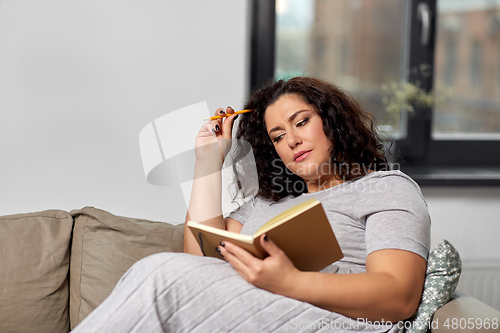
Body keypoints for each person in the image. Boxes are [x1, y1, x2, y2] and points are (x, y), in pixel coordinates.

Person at [72, 77, 430, 332]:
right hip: (259, 315)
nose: (291, 140)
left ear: (332, 123)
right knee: (161, 272)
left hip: (340, 323)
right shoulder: (263, 206)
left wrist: (289, 281)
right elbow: (198, 262)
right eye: (278, 136)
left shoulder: (384, 188)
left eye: (301, 122)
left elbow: (399, 297)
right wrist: (209, 161)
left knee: (160, 274)